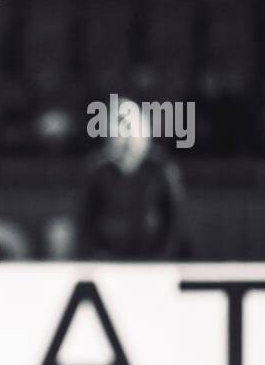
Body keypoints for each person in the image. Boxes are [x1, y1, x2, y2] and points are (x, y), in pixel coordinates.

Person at [77, 99, 187, 260]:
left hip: (153, 257)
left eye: (128, 126)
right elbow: (85, 220)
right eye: (117, 126)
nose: (123, 134)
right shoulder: (97, 170)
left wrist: (163, 257)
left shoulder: (161, 168)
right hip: (108, 258)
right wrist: (96, 254)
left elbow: (175, 220)